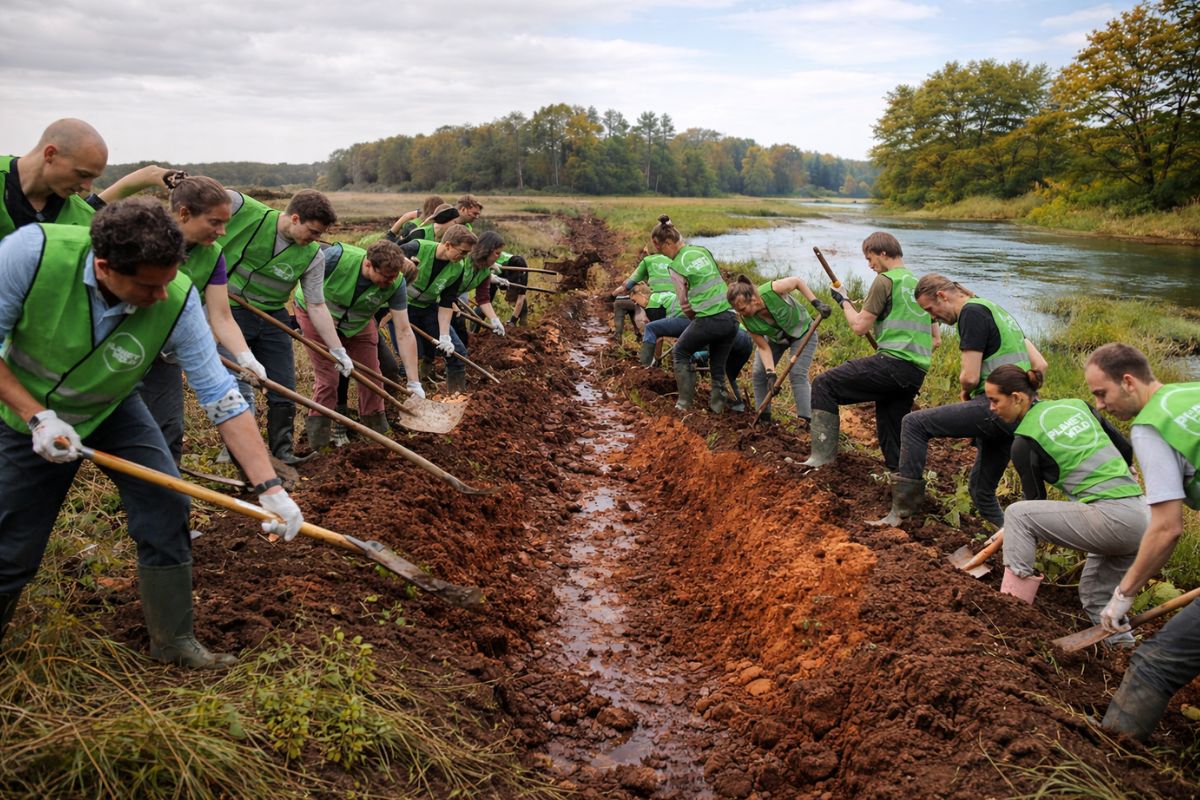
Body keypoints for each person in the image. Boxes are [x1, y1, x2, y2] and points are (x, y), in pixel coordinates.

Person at [0, 198, 303, 668]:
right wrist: (36, 416)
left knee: (166, 502)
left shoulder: (176, 296)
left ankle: (173, 641)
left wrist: (269, 487)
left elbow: (220, 394)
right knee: (14, 540)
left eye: (168, 280)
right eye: (147, 285)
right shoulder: (32, 255)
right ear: (104, 267)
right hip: (21, 414)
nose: (162, 296)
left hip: (111, 406)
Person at [1082, 343, 1200, 741]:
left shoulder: (1151, 427)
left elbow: (1166, 528)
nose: (1100, 405)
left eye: (1102, 393)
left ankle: (1111, 754)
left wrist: (1123, 594)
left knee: (1154, 664)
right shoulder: (1190, 393)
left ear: (1129, 382)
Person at [984, 365, 1146, 643]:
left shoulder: (1025, 441)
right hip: (1143, 517)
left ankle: (1011, 614)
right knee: (1095, 596)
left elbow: (1034, 503)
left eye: (994, 400)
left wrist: (1008, 529)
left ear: (1017, 398)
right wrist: (1127, 469)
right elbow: (1125, 447)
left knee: (1017, 514)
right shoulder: (1077, 406)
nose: (991, 408)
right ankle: (1125, 651)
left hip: (1112, 520)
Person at [872, 274, 1047, 527]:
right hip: (1019, 411)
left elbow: (970, 376)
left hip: (996, 407)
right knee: (981, 491)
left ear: (942, 296)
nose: (932, 318)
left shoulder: (970, 313)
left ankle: (903, 513)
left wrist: (966, 393)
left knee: (913, 424)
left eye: (930, 309)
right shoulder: (995, 309)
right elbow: (1041, 364)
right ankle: (1015, 537)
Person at [218, 188, 352, 464]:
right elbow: (201, 196)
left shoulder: (313, 256)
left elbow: (316, 305)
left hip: (273, 317)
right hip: (230, 311)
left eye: (320, 234)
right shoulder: (248, 212)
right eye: (313, 232)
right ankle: (237, 451)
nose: (316, 239)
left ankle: (283, 452)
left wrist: (337, 349)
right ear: (295, 218)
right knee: (239, 384)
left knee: (284, 386)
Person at [137, 176, 266, 464]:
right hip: (122, 342)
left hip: (163, 355)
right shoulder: (142, 238)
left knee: (169, 427)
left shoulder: (213, 255)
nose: (222, 232)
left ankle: (166, 485)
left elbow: (221, 316)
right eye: (214, 222)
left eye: (225, 223)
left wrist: (245, 357)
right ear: (184, 213)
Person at [807, 232, 938, 469]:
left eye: (870, 258)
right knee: (892, 433)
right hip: (914, 373)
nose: (869, 265)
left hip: (892, 365)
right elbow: (936, 340)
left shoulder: (885, 281)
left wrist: (843, 301)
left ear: (883, 253)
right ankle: (903, 482)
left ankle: (822, 460)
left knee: (824, 385)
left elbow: (859, 327)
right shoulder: (920, 285)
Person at [294, 239, 420, 444]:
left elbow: (404, 330)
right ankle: (319, 441)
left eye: (394, 277)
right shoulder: (336, 258)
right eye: (386, 276)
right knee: (329, 380)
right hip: (315, 314)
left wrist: (414, 381)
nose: (391, 282)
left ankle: (376, 434)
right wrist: (335, 348)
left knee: (372, 377)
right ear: (368, 264)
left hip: (358, 323)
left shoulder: (397, 282)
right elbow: (302, 279)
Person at [1, 118, 182, 242]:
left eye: (92, 178)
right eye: (82, 174)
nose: (87, 187)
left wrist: (152, 175)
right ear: (50, 154)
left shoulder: (81, 218)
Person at [652, 215, 740, 413]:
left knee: (680, 352)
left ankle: (683, 406)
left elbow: (684, 304)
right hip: (731, 317)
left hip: (709, 318)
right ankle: (717, 409)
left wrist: (695, 323)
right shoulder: (702, 251)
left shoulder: (676, 266)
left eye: (661, 250)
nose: (663, 255)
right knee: (717, 366)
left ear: (668, 243)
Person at [727, 275, 831, 424]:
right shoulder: (746, 319)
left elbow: (797, 281)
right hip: (777, 339)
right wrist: (771, 373)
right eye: (738, 310)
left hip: (803, 332)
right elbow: (763, 347)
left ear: (753, 299)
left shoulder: (773, 290)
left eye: (742, 309)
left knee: (797, 373)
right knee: (759, 373)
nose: (741, 314)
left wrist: (816, 302)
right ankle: (764, 418)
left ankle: (807, 420)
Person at [392, 224, 477, 393]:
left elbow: (447, 301)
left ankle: (456, 396)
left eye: (467, 254)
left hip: (428, 308)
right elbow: (388, 263)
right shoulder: (416, 248)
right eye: (462, 252)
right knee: (414, 352)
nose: (464, 257)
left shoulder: (458, 267)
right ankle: (406, 390)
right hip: (401, 308)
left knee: (457, 352)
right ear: (448, 245)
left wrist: (445, 336)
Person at [611, 245, 673, 358]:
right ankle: (654, 355)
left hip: (655, 302)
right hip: (675, 302)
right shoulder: (672, 259)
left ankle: (619, 337)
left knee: (621, 303)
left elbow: (628, 284)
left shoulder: (647, 261)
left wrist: (612, 295)